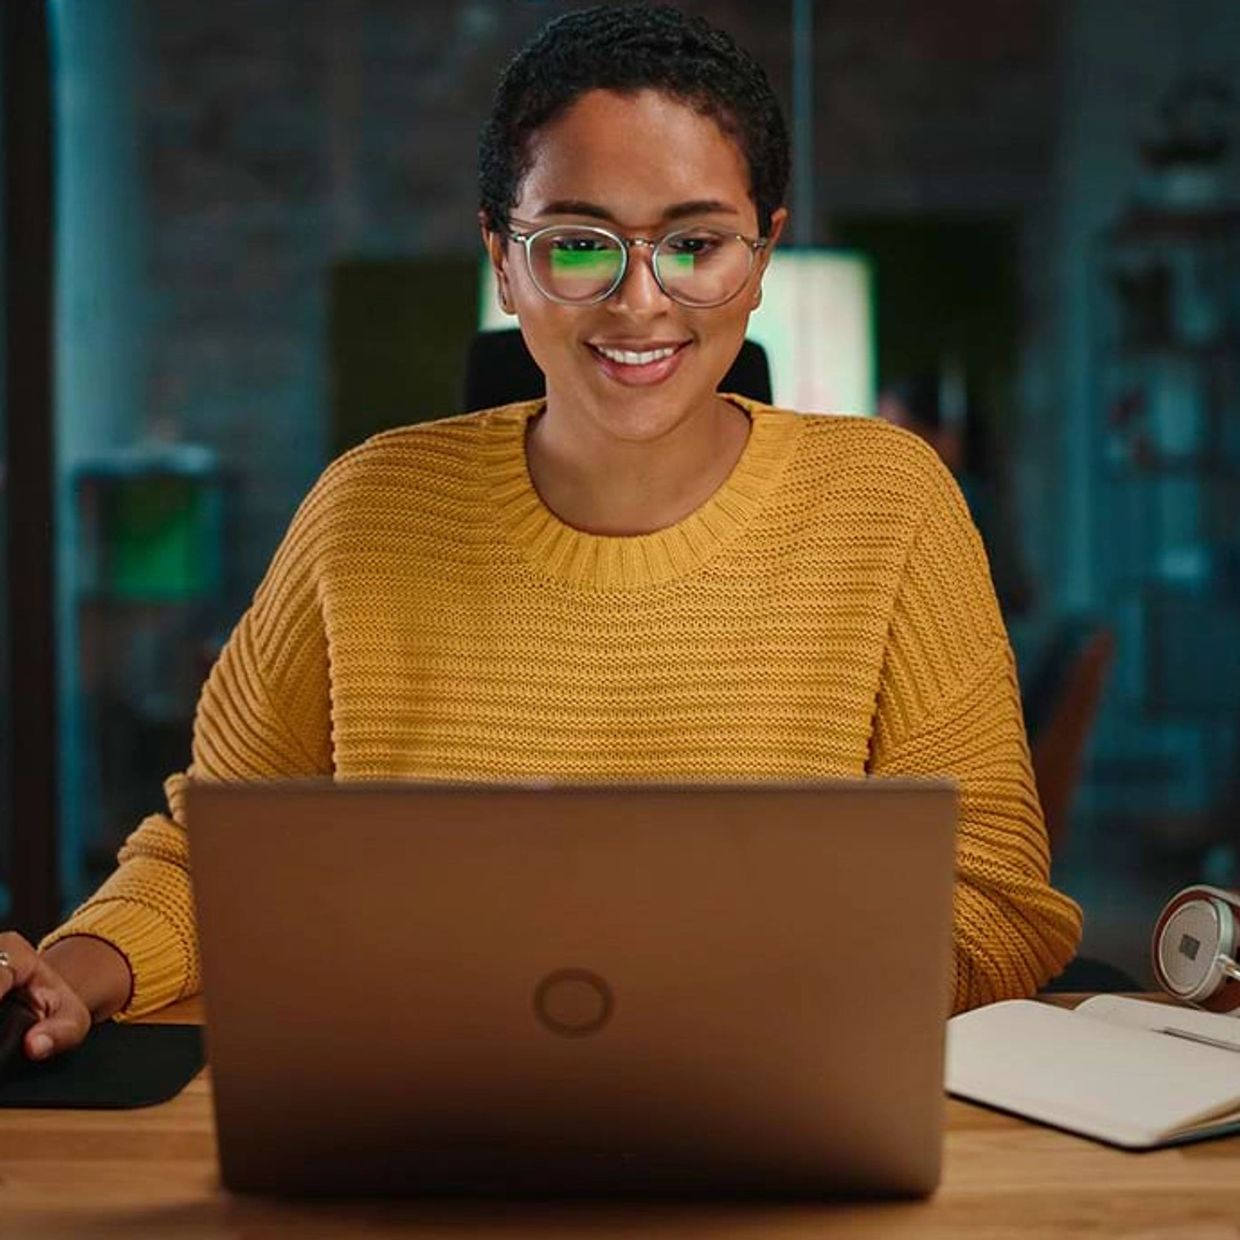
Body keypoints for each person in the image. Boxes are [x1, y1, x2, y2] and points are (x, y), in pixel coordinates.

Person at [0, 4, 1081, 1062]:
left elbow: (989, 894)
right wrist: (72, 972)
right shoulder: (362, 512)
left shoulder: (888, 504)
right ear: (504, 263)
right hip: (417, 1110)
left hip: (768, 1101)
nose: (637, 302)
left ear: (760, 257)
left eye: (695, 242)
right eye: (577, 245)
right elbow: (214, 856)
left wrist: (757, 999)